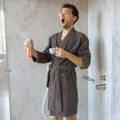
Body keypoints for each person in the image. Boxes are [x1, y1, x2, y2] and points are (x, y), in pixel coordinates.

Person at [24, 3, 91, 120]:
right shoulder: (53, 38)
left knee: (70, 116)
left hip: (67, 81)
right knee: (55, 116)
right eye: (61, 13)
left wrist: (67, 54)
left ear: (74, 18)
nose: (62, 15)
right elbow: (45, 57)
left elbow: (85, 63)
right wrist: (32, 50)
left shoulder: (81, 38)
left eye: (66, 13)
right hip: (53, 81)